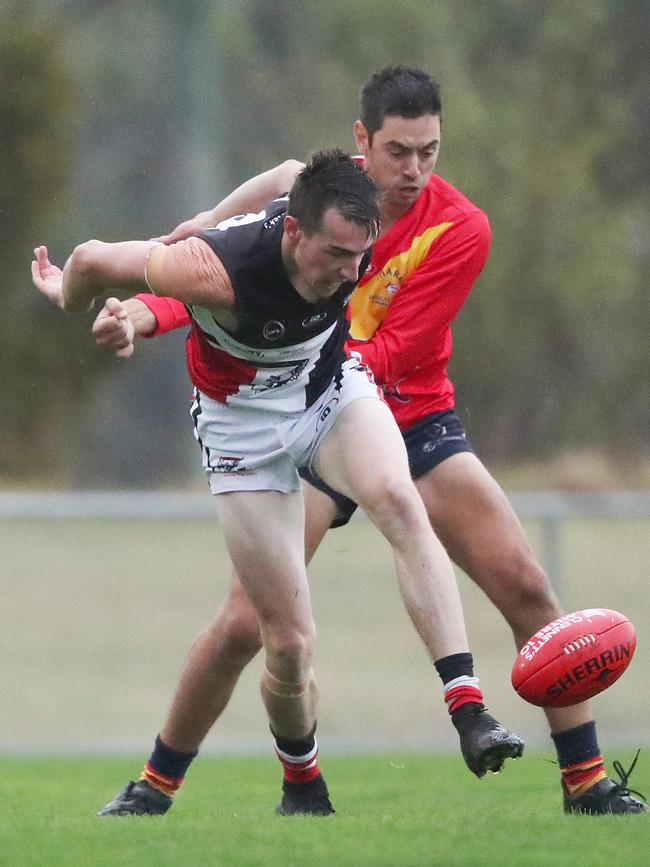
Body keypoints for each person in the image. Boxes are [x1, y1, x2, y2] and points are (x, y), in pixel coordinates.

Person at [90, 66, 646, 816]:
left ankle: (587, 784)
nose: (413, 169)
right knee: (250, 626)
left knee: (526, 584)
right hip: (306, 410)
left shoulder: (460, 228)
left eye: (429, 150)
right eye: (397, 151)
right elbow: (234, 280)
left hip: (410, 417)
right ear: (362, 143)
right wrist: (149, 312)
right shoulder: (318, 198)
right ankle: (156, 784)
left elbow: (385, 347)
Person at [32, 148, 524, 818]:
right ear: (294, 232)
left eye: (360, 255)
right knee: (288, 644)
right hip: (243, 431)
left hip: (326, 391)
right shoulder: (212, 268)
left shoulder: (330, 218)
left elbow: (291, 168)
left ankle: (469, 707)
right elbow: (91, 258)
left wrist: (213, 209)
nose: (350, 272)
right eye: (335, 255)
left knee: (398, 498)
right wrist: (81, 299)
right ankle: (302, 781)